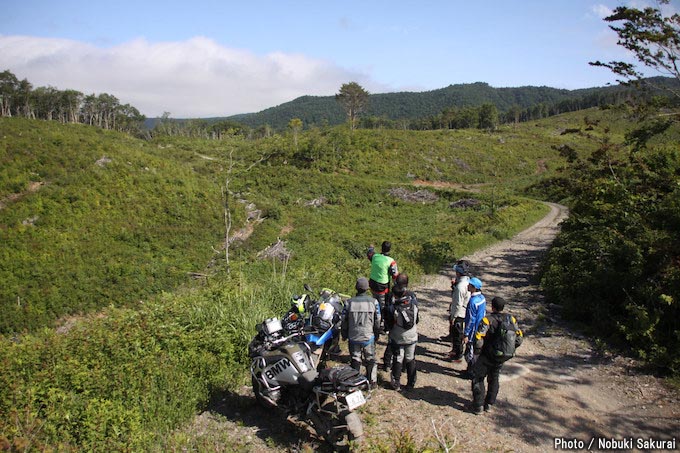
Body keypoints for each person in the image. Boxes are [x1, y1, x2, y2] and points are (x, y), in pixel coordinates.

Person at [468, 297, 523, 414]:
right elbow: (519, 338)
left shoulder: (487, 320)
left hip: (486, 355)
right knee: (494, 379)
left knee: (478, 378)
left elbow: (478, 338)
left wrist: (477, 353)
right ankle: (489, 404)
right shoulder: (511, 319)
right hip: (501, 356)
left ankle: (478, 406)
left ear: (492, 306)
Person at [341, 277, 382, 385]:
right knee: (370, 359)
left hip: (353, 336)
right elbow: (378, 319)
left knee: (355, 359)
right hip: (368, 336)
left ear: (356, 288)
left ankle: (355, 381)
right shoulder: (374, 302)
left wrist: (344, 334)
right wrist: (376, 333)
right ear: (367, 288)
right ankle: (372, 382)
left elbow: (344, 320)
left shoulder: (348, 302)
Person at [384, 282, 419, 391]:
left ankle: (396, 383)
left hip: (398, 337)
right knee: (410, 358)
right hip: (412, 336)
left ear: (394, 295)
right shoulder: (413, 304)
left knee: (398, 358)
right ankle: (411, 383)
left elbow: (389, 324)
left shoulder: (393, 308)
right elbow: (417, 320)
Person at [444, 261, 471, 361]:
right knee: (457, 334)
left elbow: (457, 304)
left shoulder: (460, 287)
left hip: (459, 313)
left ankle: (457, 354)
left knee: (457, 335)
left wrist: (453, 317)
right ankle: (455, 351)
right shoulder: (468, 281)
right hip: (464, 311)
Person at [367, 241, 399, 316]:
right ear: (390, 249)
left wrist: (371, 247)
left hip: (372, 284)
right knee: (382, 305)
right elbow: (395, 276)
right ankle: (381, 320)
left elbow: (369, 253)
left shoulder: (375, 257)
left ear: (381, 248)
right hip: (383, 287)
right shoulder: (391, 261)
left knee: (374, 301)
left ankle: (373, 317)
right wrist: (397, 289)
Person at [462, 277, 486, 374]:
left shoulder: (472, 302)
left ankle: (471, 371)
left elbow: (471, 319)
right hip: (480, 328)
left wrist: (466, 334)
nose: (468, 286)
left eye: (470, 285)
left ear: (474, 288)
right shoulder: (482, 298)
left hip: (473, 330)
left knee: (470, 351)